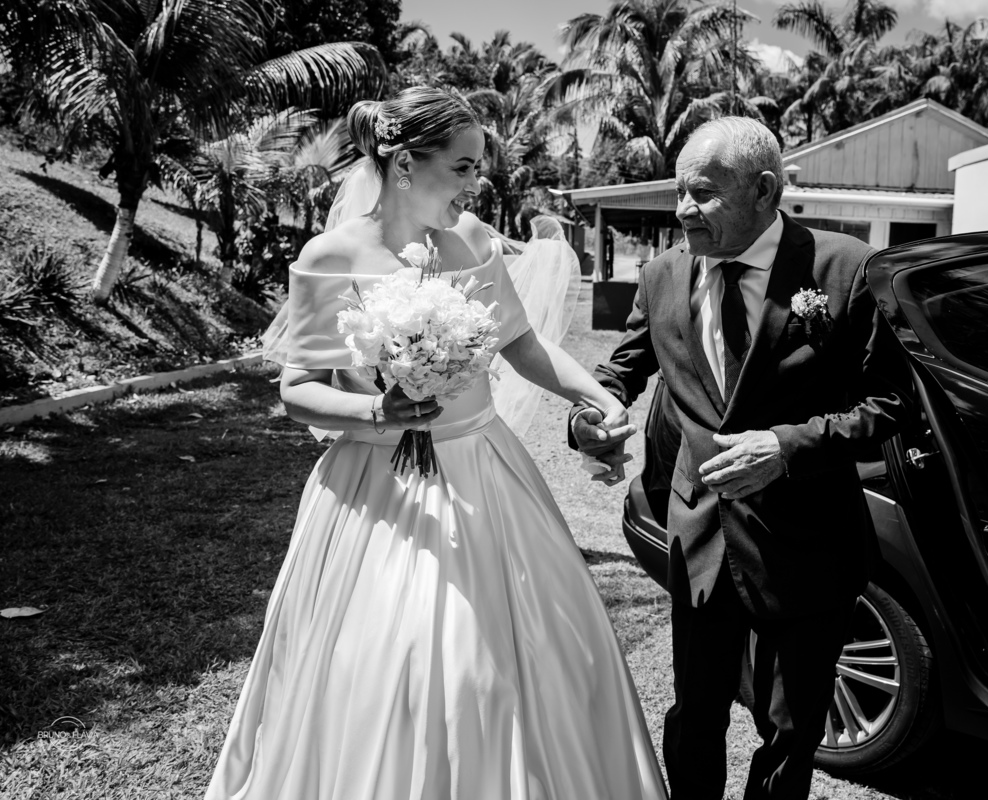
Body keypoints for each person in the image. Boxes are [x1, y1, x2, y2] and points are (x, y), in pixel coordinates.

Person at [206, 87, 666, 800]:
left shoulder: (475, 241)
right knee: (398, 662)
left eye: (477, 167)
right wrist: (379, 409)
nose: (475, 184)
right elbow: (297, 390)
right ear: (403, 165)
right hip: (376, 489)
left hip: (486, 471)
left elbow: (522, 345)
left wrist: (597, 396)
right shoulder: (331, 256)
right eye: (462, 167)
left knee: (515, 659)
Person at [571, 117, 913, 799]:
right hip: (700, 538)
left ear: (764, 191)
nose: (682, 210)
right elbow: (621, 370)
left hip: (808, 542)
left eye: (702, 194)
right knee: (694, 716)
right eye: (679, 192)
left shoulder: (844, 267)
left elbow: (891, 404)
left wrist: (786, 448)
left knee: (790, 729)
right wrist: (589, 418)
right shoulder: (663, 274)